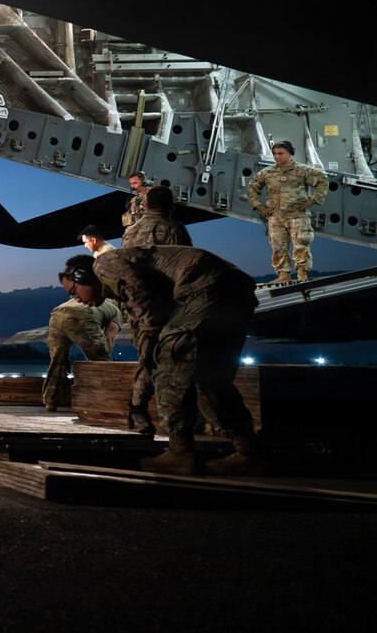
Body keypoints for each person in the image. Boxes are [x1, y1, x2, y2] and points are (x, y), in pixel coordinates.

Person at [75, 246, 267, 476]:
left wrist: (140, 396)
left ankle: (180, 453)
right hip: (234, 290)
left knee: (169, 366)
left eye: (73, 290)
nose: (75, 297)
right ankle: (249, 453)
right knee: (210, 378)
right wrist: (140, 393)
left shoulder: (104, 265)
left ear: (85, 279)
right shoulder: (141, 277)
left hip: (204, 287)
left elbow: (149, 318)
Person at [118, 184, 193, 433]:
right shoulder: (174, 229)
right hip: (164, 304)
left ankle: (141, 411)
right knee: (159, 358)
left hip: (135, 305)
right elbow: (185, 267)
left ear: (146, 205)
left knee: (147, 354)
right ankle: (139, 409)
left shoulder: (130, 232)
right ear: (170, 206)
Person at [245, 141, 328, 283]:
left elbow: (323, 181)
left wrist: (312, 200)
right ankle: (283, 275)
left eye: (280, 153)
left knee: (301, 244)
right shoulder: (267, 173)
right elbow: (252, 188)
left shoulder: (302, 170)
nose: (277, 157)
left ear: (290, 153)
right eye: (275, 154)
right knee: (278, 246)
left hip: (297, 215)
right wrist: (259, 206)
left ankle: (302, 274)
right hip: (275, 217)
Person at [41, 256, 112, 412]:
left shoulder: (85, 295)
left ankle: (50, 400)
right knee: (101, 361)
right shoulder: (115, 309)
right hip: (80, 315)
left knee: (57, 361)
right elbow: (109, 337)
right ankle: (108, 399)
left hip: (56, 314)